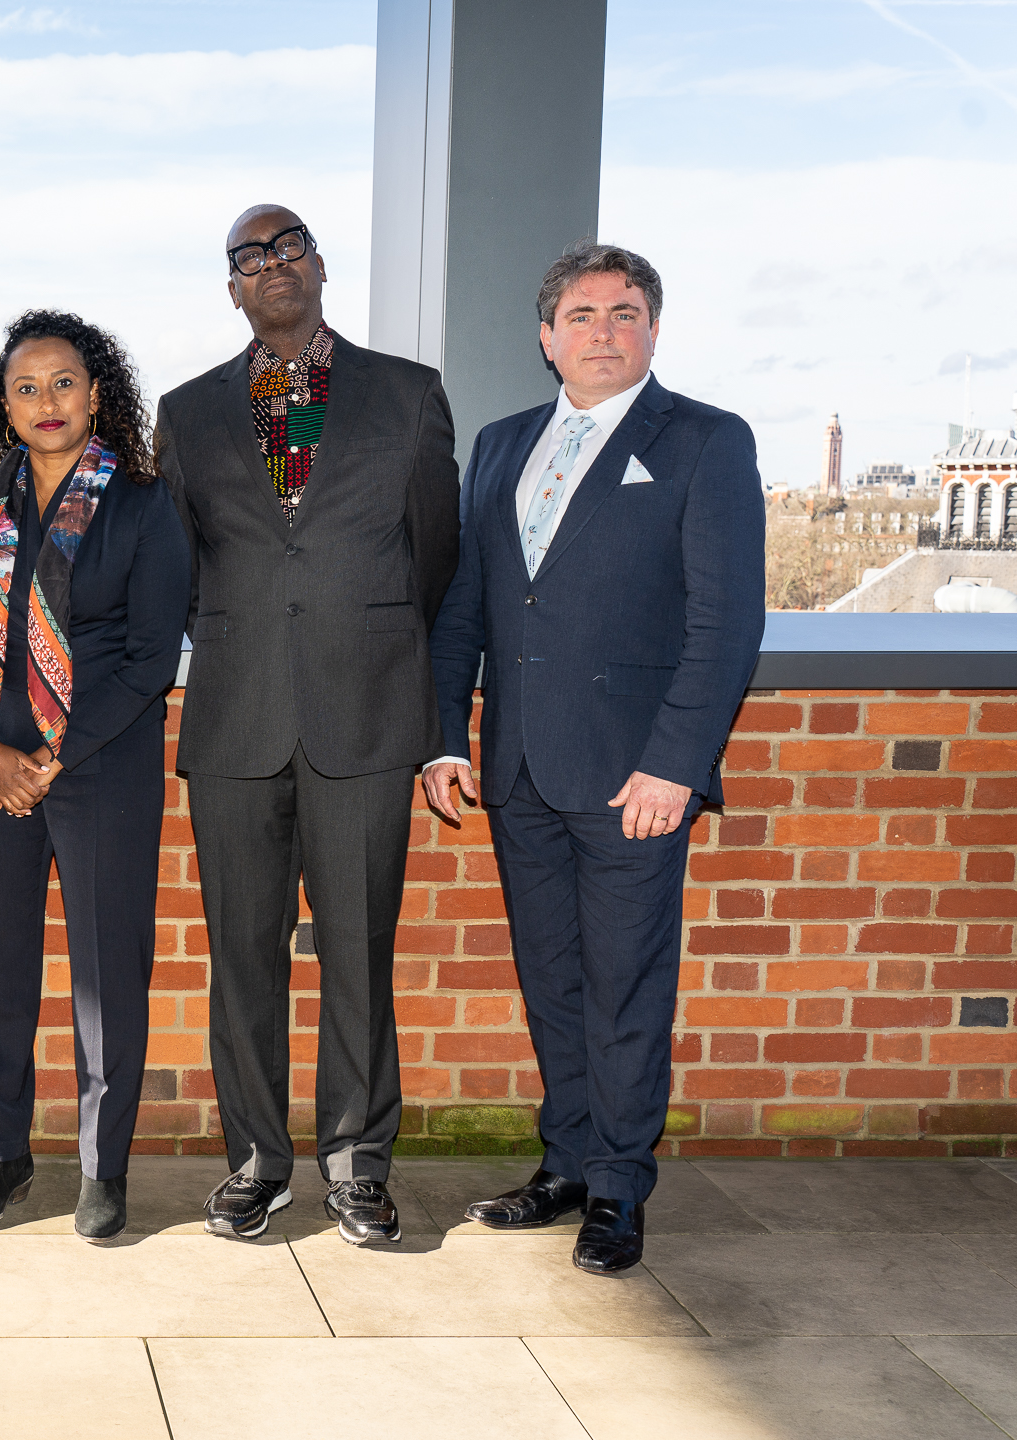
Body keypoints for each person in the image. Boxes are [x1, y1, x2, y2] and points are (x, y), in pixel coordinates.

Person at [424, 242, 763, 1275]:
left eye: (624, 313)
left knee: (626, 987)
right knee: (555, 983)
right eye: (581, 314)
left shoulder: (704, 440)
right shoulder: (501, 445)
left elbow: (725, 623)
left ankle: (619, 1187)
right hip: (519, 770)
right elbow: (468, 607)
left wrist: (676, 764)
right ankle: (567, 1163)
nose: (603, 331)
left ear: (653, 330)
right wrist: (443, 738)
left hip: (634, 780)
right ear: (547, 337)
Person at [156, 204, 460, 1246]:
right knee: (241, 956)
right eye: (250, 257)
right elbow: (182, 568)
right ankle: (256, 1161)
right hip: (235, 721)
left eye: (289, 246)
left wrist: (362, 642)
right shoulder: (188, 412)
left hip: (365, 717)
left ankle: (358, 1163)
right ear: (232, 289)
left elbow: (435, 558)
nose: (273, 264)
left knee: (359, 953)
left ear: (320, 266)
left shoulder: (407, 395)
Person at [0, 313, 188, 1243]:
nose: (47, 401)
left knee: (107, 971)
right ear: (4, 405)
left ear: (96, 393)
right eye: (26, 387)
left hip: (102, 766)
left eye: (64, 382)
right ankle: (4, 1154)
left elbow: (151, 656)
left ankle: (102, 1169)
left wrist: (55, 756)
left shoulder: (142, 502)